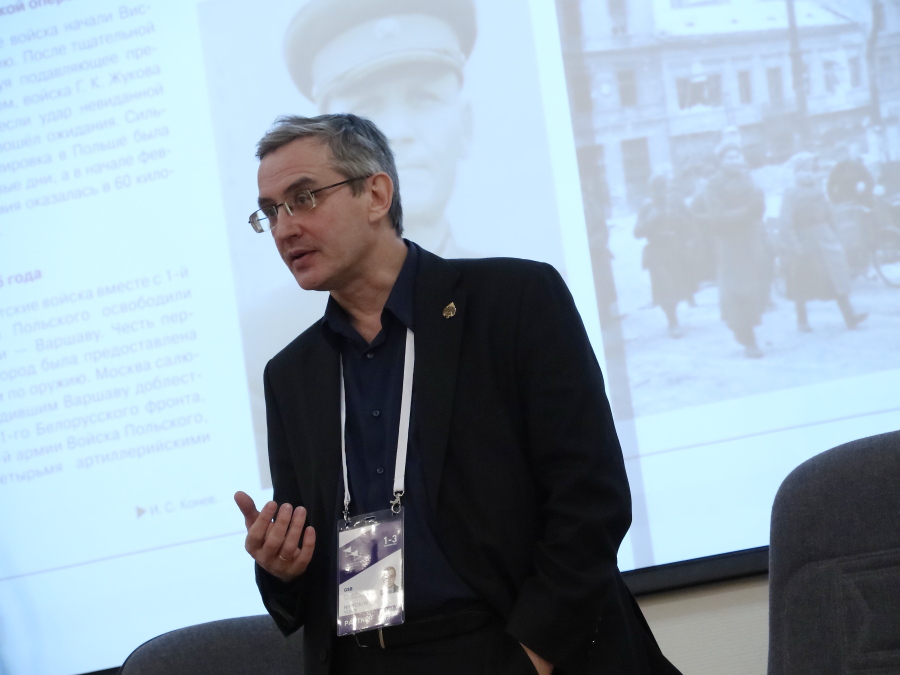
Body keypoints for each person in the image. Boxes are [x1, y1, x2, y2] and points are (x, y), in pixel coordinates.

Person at [234, 114, 679, 675]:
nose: (284, 229)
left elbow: (591, 497)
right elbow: (326, 567)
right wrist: (283, 568)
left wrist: (534, 655)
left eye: (303, 199)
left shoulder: (513, 302)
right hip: (375, 653)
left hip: (512, 645)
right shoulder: (294, 375)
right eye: (271, 212)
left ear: (376, 195)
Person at [283, 0, 478, 257]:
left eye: (423, 99)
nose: (398, 131)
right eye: (367, 109)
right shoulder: (300, 283)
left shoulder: (512, 282)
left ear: (465, 126)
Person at [692, 143, 768, 358]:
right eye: (729, 157)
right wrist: (747, 211)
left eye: (737, 156)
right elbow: (717, 217)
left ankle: (745, 329)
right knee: (737, 290)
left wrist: (759, 204)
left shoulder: (747, 178)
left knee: (756, 286)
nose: (735, 161)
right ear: (720, 161)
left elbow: (757, 210)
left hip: (751, 239)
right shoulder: (713, 185)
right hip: (730, 242)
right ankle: (747, 338)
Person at [780, 152, 867, 332]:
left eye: (811, 170)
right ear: (796, 173)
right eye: (804, 170)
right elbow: (785, 223)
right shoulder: (790, 194)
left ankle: (850, 317)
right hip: (804, 240)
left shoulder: (819, 191)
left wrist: (835, 235)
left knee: (837, 275)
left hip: (824, 237)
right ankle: (802, 321)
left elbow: (829, 213)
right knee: (802, 280)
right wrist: (795, 246)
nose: (808, 174)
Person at [634, 174, 698, 338]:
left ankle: (687, 298)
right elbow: (637, 232)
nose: (660, 192)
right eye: (656, 189)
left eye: (663, 188)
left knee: (679, 284)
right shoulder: (647, 208)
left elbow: (690, 221)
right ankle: (672, 321)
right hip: (656, 252)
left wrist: (686, 236)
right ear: (651, 191)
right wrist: (650, 222)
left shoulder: (675, 203)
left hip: (676, 249)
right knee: (665, 288)